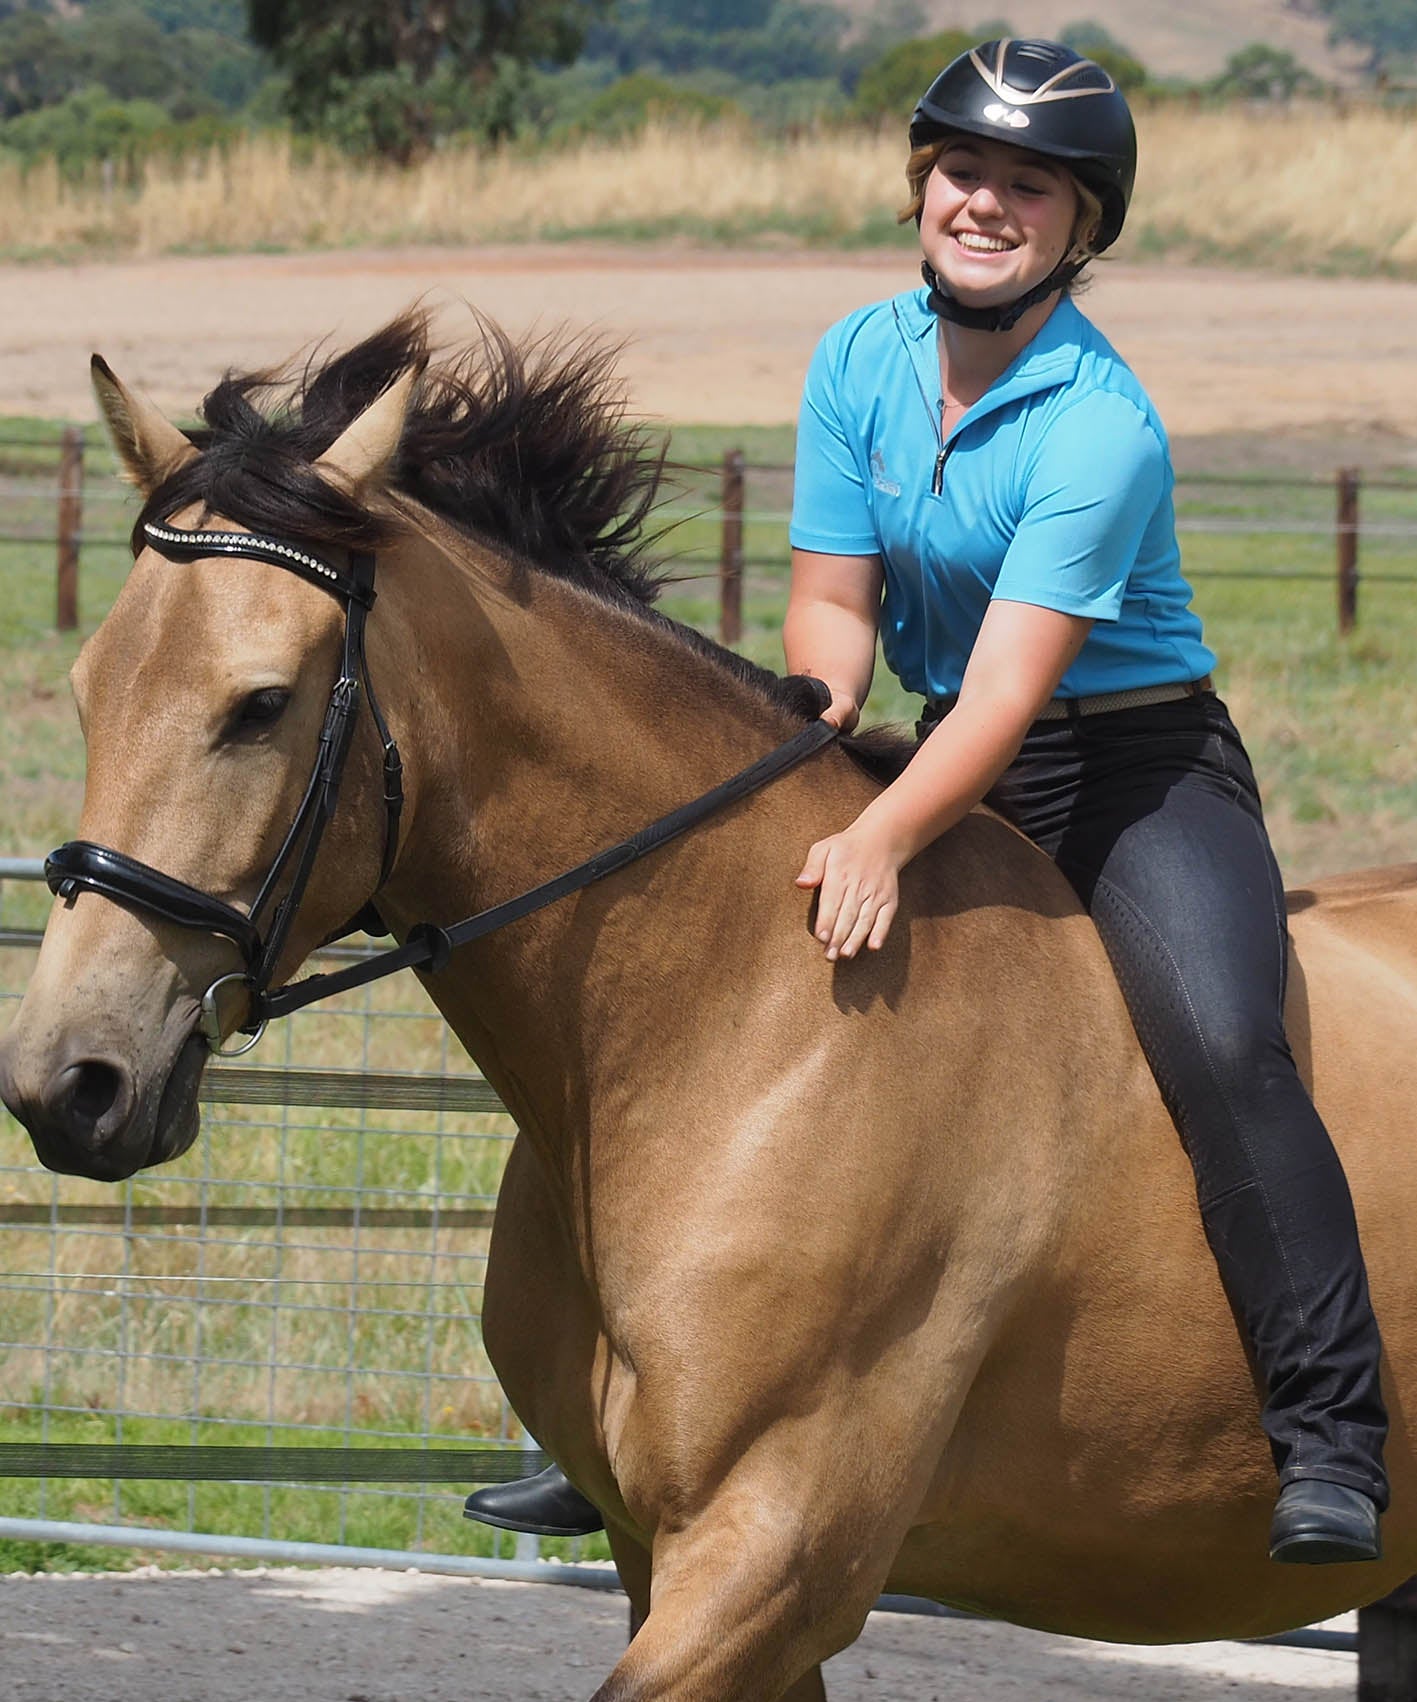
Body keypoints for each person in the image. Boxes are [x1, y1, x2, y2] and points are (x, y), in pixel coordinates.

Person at [466, 37, 1388, 1564]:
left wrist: (884, 830)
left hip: (1125, 773)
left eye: (1029, 185)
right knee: (686, 983)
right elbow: (831, 599)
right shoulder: (857, 358)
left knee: (1224, 1044)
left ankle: (1331, 1434)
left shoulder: (1102, 425)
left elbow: (1019, 696)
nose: (985, 202)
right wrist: (814, 730)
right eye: (962, 170)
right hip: (929, 733)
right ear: (917, 187)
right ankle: (622, 1410)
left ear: (1081, 228)